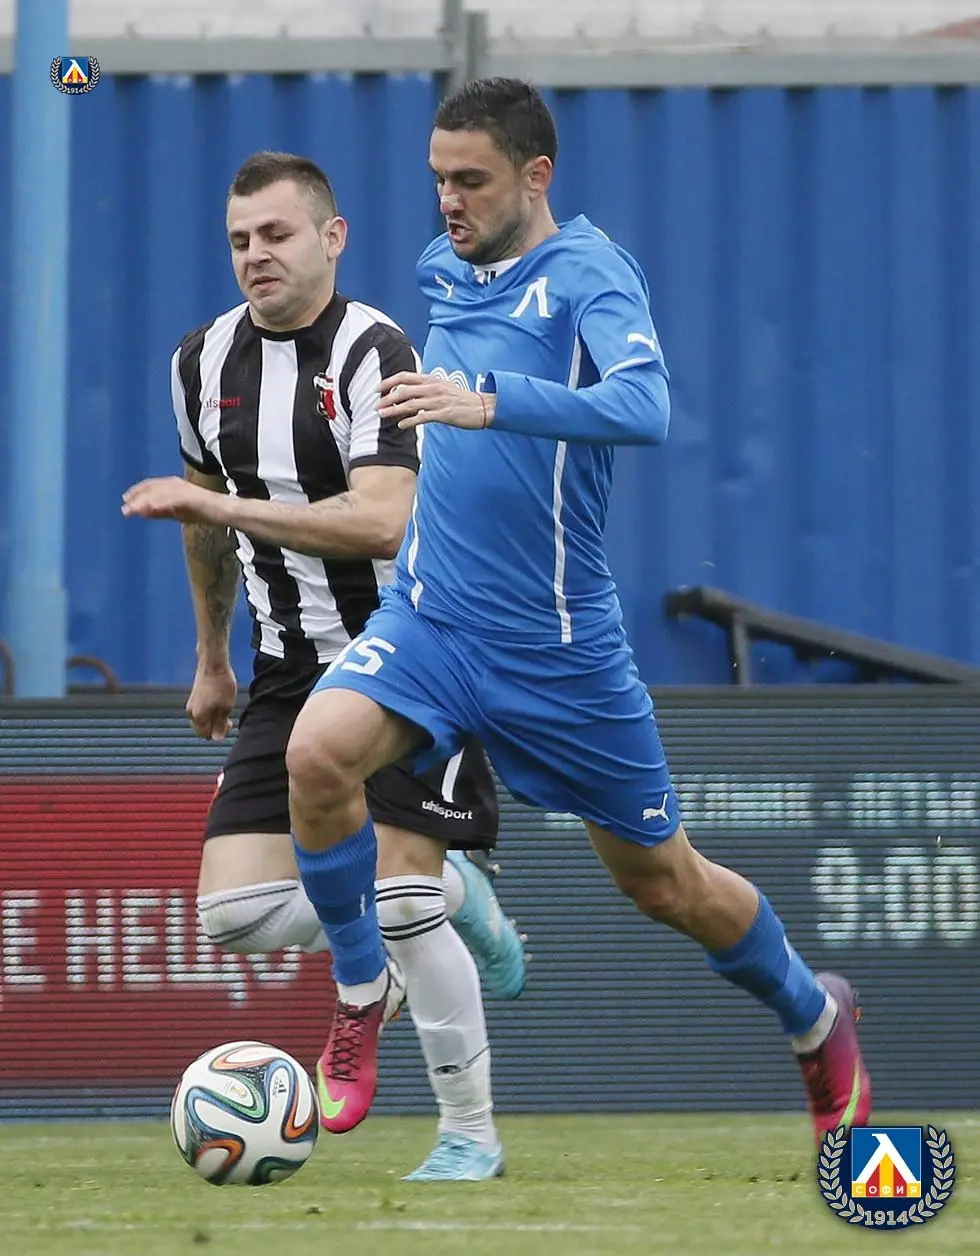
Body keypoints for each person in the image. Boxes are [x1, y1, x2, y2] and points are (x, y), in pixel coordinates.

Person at [284, 77, 873, 1158]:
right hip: (432, 619)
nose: (448, 201)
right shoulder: (442, 265)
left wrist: (487, 402)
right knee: (317, 756)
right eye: (437, 179)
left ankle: (812, 1015)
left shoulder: (589, 273)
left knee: (666, 884)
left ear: (535, 176)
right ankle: (362, 992)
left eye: (470, 180)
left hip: (555, 647)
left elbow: (645, 407)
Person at [121, 150, 526, 1181]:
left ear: (331, 238)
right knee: (233, 913)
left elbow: (383, 521)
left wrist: (214, 502)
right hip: (286, 667)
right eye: (239, 240)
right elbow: (205, 529)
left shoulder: (375, 351)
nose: (255, 254)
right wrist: (211, 658)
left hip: (412, 652)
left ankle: (468, 1135)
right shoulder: (199, 362)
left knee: (397, 905)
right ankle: (451, 891)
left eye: (276, 233)